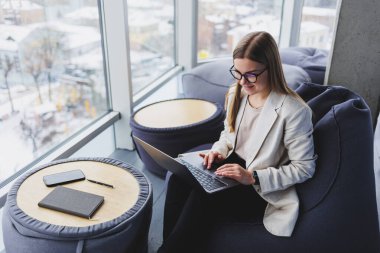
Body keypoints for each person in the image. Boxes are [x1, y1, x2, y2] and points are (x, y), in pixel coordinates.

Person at [158, 31, 317, 253]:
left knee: (200, 195)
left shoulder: (294, 111)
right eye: (238, 73)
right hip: (230, 166)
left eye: (251, 74)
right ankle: (168, 244)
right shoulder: (237, 93)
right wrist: (218, 151)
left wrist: (252, 176)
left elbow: (305, 168)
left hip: (258, 187)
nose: (243, 82)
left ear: (271, 68)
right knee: (177, 178)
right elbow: (227, 134)